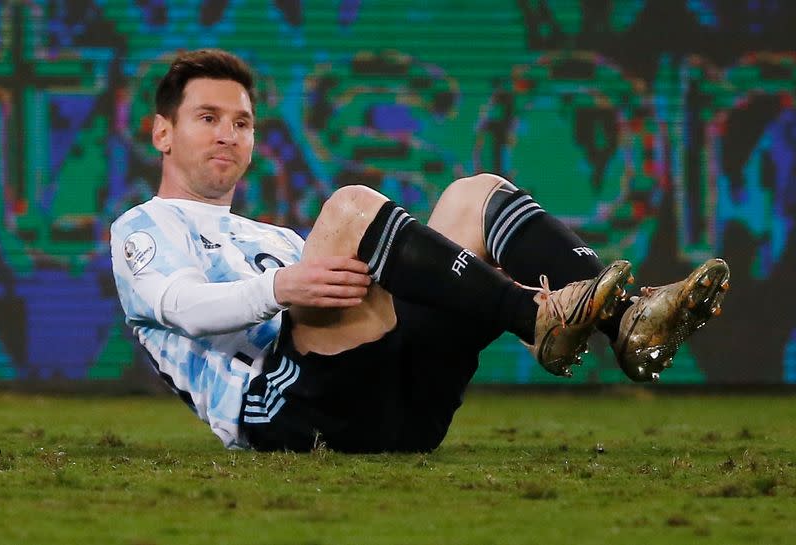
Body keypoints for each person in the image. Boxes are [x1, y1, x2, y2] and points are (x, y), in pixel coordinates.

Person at [110, 49, 730, 452]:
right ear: (162, 132)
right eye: (208, 117)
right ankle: (533, 317)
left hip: (402, 411)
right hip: (293, 413)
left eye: (241, 123)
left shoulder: (273, 237)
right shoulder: (144, 227)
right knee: (351, 209)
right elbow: (179, 305)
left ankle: (626, 321)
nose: (228, 133)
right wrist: (278, 289)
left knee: (473, 195)